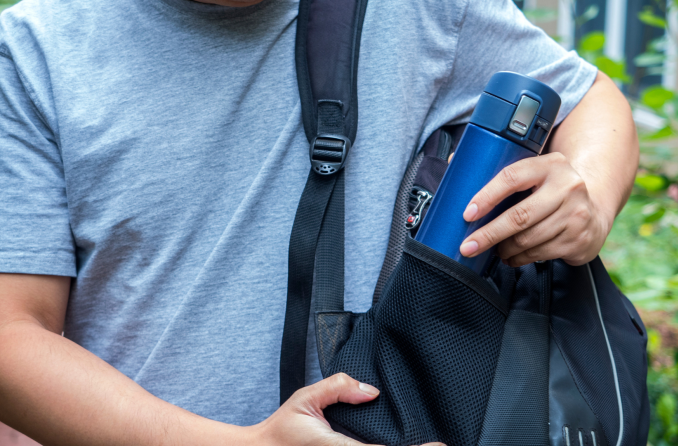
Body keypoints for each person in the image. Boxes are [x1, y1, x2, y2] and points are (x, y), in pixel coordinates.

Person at [0, 0, 638, 444]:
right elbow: (12, 335)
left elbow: (590, 100)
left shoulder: (417, 12)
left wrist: (588, 193)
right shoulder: (33, 52)